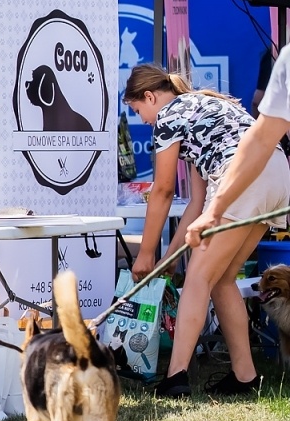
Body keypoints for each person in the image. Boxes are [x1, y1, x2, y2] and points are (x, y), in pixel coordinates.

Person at [124, 65, 289, 397]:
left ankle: (176, 378)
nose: (143, 120)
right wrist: (169, 258)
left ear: (150, 97)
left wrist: (145, 255)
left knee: (199, 277)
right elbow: (198, 205)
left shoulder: (168, 118)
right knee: (222, 278)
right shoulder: (202, 108)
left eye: (138, 110)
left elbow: (163, 191)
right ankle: (245, 376)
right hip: (276, 172)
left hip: (242, 178)